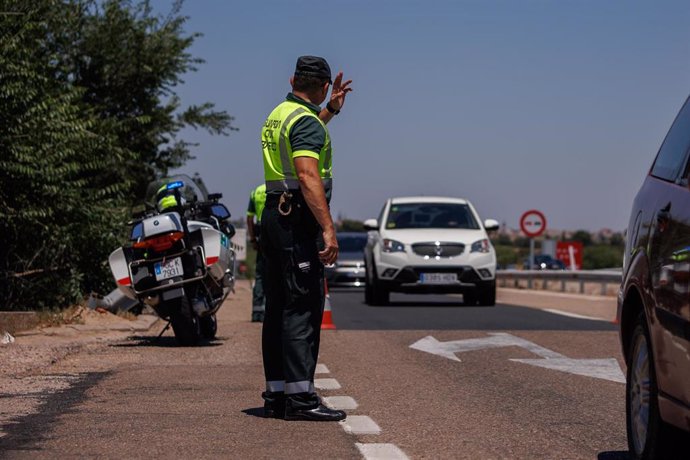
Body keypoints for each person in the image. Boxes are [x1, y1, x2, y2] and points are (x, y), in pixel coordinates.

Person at [260, 56, 352, 421]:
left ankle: (278, 395)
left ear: (293, 79)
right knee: (302, 307)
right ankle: (301, 400)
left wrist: (329, 111)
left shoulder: (280, 113)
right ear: (325, 85)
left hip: (274, 217)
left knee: (279, 307)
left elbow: (301, 137)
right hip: (297, 221)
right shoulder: (305, 123)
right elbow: (307, 175)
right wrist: (328, 228)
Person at [246, 183, 267, 322]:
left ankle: (256, 312)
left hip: (260, 232)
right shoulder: (280, 188)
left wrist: (253, 238)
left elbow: (249, 218)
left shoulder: (256, 192)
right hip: (275, 230)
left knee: (260, 274)